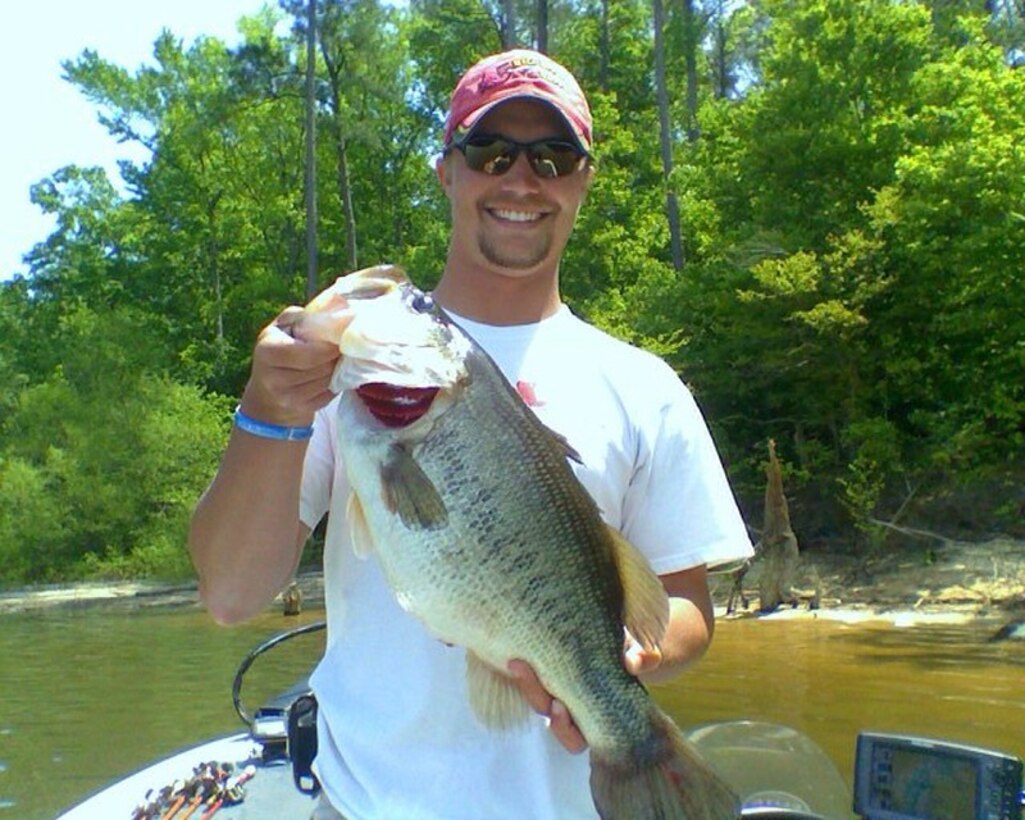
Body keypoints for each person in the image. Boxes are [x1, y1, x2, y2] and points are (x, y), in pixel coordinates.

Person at [189, 48, 753, 820]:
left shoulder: (645, 387)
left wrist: (618, 660)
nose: (521, 180)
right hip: (365, 807)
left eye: (552, 157)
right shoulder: (334, 381)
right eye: (490, 153)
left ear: (582, 180)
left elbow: (684, 607)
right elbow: (230, 595)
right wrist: (268, 409)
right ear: (446, 171)